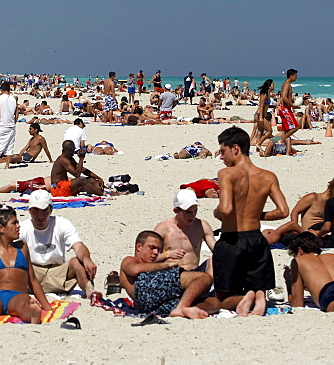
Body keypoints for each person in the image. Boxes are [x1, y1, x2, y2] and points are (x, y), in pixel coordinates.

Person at [212, 126, 288, 316]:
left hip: (232, 240)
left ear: (235, 148)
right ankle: (259, 297)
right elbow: (283, 211)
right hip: (256, 239)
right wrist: (256, 214)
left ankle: (249, 299)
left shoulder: (226, 174)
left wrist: (216, 212)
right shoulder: (268, 176)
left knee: (223, 295)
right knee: (258, 285)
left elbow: (226, 209)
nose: (221, 157)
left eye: (223, 151)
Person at [119, 230, 219, 319]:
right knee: (204, 277)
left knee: (213, 303)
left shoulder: (150, 266)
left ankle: (189, 309)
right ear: (139, 247)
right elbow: (135, 270)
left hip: (154, 304)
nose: (156, 252)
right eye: (152, 248)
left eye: (158, 250)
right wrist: (166, 264)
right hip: (145, 290)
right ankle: (181, 308)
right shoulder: (130, 260)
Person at [19, 190, 97, 296]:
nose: (40, 215)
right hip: (32, 271)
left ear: (51, 210)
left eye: (44, 210)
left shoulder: (61, 223)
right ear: (29, 211)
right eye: (35, 211)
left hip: (57, 271)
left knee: (78, 262)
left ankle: (90, 292)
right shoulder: (22, 227)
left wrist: (87, 259)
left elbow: (78, 246)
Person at [153, 189, 216, 275]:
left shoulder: (202, 226)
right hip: (170, 275)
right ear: (176, 211)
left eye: (195, 211)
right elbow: (148, 258)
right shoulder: (163, 229)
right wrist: (167, 254)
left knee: (214, 260)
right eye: (188, 212)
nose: (192, 216)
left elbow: (217, 250)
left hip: (193, 273)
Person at [0, 81, 17, 169]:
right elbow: (17, 113)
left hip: (3, 124)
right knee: (10, 146)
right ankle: (7, 165)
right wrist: (14, 121)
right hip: (11, 125)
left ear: (2, 89)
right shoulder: (14, 98)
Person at [277, 69, 299, 149]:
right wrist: (292, 105)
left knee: (286, 130)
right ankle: (281, 141)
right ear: (291, 75)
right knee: (295, 127)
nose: (296, 77)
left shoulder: (287, 84)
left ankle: (284, 147)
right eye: (295, 76)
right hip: (285, 108)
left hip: (286, 108)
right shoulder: (286, 84)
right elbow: (284, 97)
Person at [250, 80, 274, 150]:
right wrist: (260, 117)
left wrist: (273, 107)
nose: (274, 86)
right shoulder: (264, 94)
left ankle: (257, 148)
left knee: (260, 132)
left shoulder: (268, 94)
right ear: (269, 86)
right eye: (273, 85)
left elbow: (266, 106)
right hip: (259, 115)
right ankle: (259, 143)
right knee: (269, 131)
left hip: (260, 115)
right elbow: (261, 105)